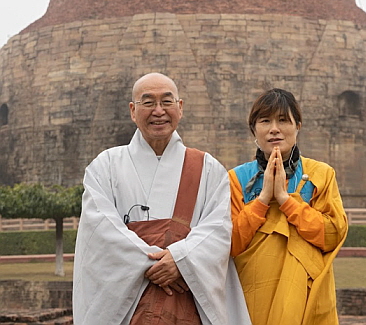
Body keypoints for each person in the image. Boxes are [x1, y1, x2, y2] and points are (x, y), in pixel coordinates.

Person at [73, 72, 251, 325]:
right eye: (148, 103)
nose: (159, 111)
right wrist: (167, 264)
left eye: (167, 102)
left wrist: (181, 262)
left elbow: (218, 229)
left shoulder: (208, 168)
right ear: (133, 111)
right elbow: (101, 231)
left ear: (180, 107)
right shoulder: (106, 166)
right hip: (130, 304)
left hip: (188, 303)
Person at [229, 88, 348, 325]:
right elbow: (230, 243)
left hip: (305, 298)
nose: (274, 128)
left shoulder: (319, 175)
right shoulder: (236, 179)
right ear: (254, 129)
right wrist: (263, 200)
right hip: (251, 298)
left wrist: (285, 200)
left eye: (283, 120)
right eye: (265, 121)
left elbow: (332, 234)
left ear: (298, 126)